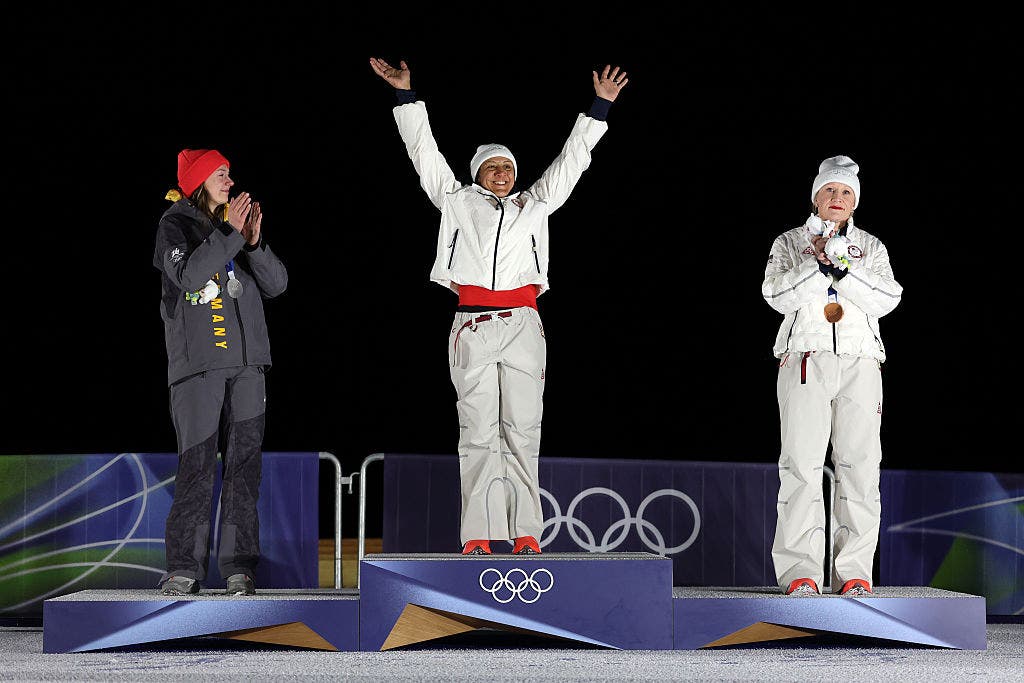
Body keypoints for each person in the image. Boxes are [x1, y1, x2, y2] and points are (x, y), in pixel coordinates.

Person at [369, 56, 628, 556]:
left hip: (524, 324)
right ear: (477, 174)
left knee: (523, 431)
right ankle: (478, 536)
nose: (503, 173)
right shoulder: (457, 201)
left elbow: (572, 160)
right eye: (493, 167)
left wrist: (600, 107)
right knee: (478, 433)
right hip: (472, 325)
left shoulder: (535, 204)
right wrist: (405, 96)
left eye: (508, 166)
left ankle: (527, 532)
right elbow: (423, 152)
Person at [762, 155, 902, 597]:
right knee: (801, 466)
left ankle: (854, 573)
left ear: (854, 202)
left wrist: (846, 270)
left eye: (845, 192)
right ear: (816, 198)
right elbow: (775, 294)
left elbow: (888, 298)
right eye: (829, 190)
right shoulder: (790, 242)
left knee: (860, 468)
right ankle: (800, 573)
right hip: (806, 358)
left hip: (860, 362)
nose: (837, 197)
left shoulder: (871, 247)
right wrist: (817, 265)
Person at [153, 148, 288, 595]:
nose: (230, 181)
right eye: (221, 174)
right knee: (197, 468)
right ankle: (184, 568)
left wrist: (253, 243)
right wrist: (230, 233)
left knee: (245, 470)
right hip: (199, 370)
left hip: (248, 368)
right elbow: (190, 276)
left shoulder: (236, 229)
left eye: (230, 173)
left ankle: (239, 568)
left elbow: (277, 284)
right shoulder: (175, 224)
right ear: (198, 182)